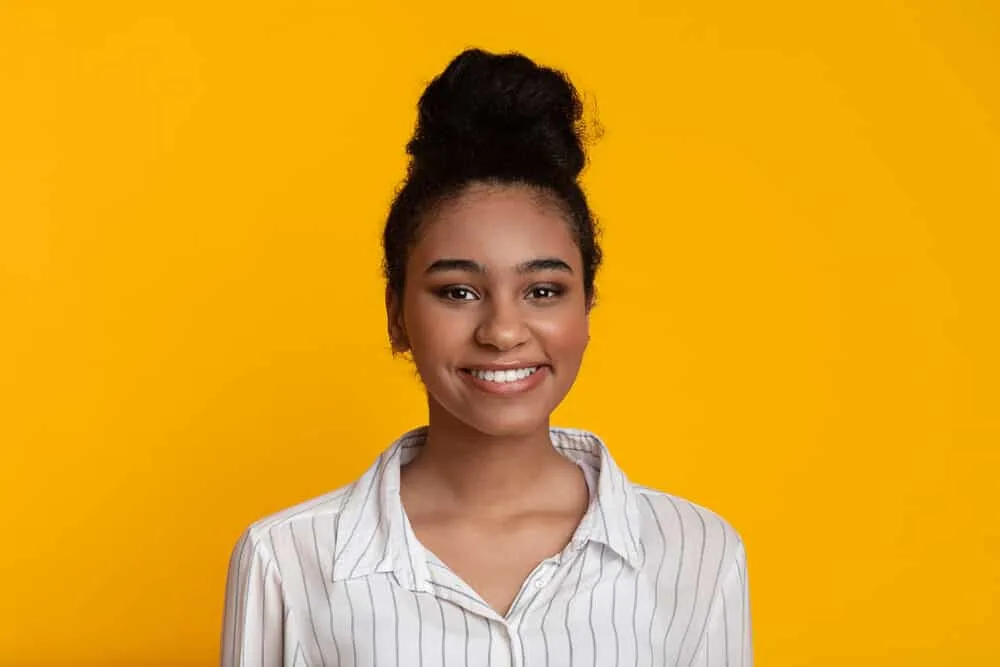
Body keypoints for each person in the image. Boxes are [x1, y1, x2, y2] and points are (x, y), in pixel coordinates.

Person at [221, 47, 752, 667]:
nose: (502, 331)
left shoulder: (699, 553)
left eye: (543, 291)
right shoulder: (285, 559)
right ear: (397, 315)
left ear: (585, 310)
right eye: (459, 292)